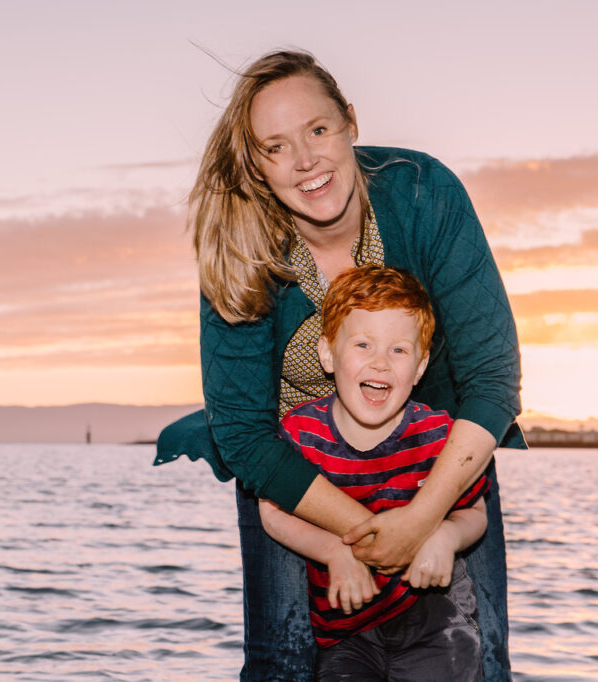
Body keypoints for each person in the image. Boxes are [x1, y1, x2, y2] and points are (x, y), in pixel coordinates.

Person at [154, 49, 523, 682]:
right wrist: (370, 533)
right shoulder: (244, 246)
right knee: (285, 665)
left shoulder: (421, 192)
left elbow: (493, 379)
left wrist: (423, 517)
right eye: (275, 147)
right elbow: (245, 434)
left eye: (318, 130)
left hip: (431, 462)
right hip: (292, 468)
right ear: (256, 164)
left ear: (349, 122)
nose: (304, 161)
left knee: (479, 660)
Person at [260, 265, 487, 681]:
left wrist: (446, 536)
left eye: (399, 350)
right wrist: (334, 551)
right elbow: (272, 510)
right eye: (363, 344)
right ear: (327, 354)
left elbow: (475, 513)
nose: (381, 363)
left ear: (420, 368)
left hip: (434, 617)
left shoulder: (439, 435)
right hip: (346, 626)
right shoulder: (301, 433)